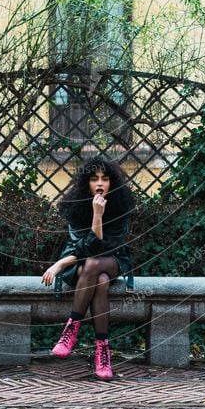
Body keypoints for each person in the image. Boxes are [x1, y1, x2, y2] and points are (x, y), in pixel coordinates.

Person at [41, 156, 135, 381]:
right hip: (87, 271)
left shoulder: (120, 208)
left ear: (112, 183)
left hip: (113, 261)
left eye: (105, 179)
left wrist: (61, 263)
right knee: (99, 280)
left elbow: (103, 250)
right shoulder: (77, 210)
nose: (100, 184)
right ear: (87, 184)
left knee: (95, 265)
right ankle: (103, 351)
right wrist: (94, 215)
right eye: (94, 179)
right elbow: (81, 248)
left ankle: (71, 330)